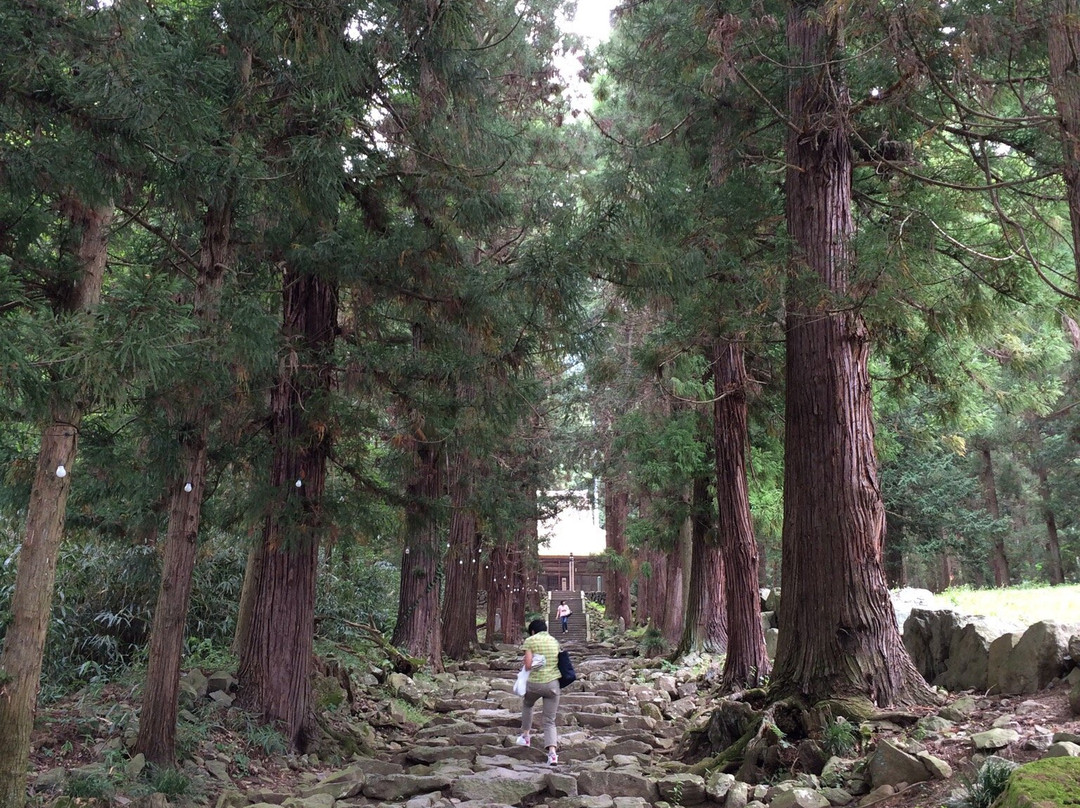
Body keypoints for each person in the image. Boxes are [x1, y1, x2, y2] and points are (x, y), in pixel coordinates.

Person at [516, 618, 561, 765]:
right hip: (553, 684)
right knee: (549, 720)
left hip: (535, 683)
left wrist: (527, 660)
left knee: (528, 704)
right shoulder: (554, 641)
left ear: (533, 631)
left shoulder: (530, 641)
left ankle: (526, 736)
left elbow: (528, 665)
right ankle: (552, 754)